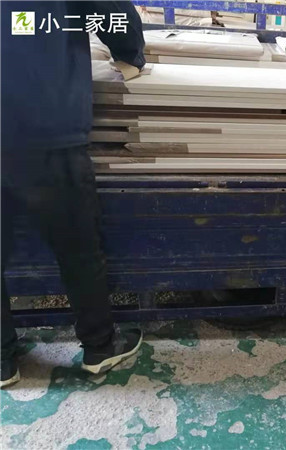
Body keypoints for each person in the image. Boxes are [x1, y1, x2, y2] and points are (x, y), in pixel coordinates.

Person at [1, 1, 146, 388]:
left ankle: (0, 361)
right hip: (45, 126)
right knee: (77, 247)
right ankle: (100, 346)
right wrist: (131, 54)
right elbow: (113, 14)